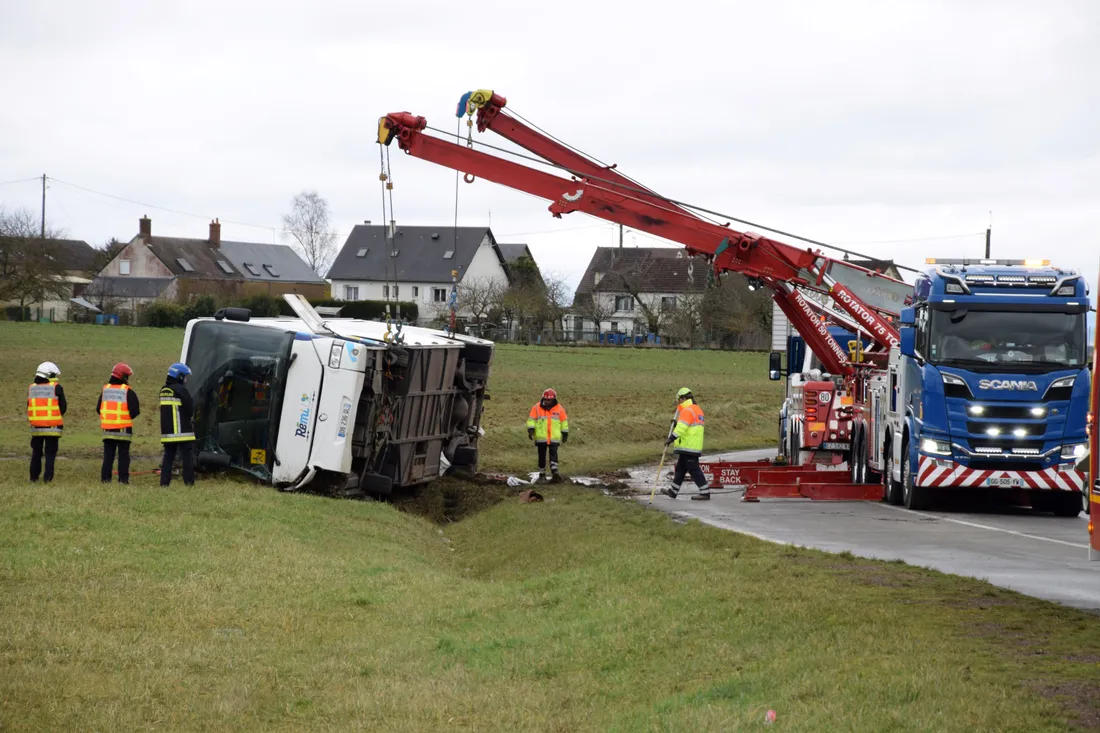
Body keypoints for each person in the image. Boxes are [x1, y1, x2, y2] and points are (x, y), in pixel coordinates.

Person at [662, 387, 710, 500]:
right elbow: (688, 427)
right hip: (691, 445)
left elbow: (682, 428)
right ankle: (673, 491)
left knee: (694, 469)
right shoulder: (696, 409)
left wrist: (671, 438)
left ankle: (705, 492)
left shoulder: (687, 410)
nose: (678, 402)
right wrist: (676, 425)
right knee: (680, 468)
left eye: (679, 400)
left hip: (689, 446)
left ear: (683, 398)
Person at [97, 362, 140, 484]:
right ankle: (123, 480)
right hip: (123, 430)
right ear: (123, 377)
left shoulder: (105, 390)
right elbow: (135, 410)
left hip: (107, 430)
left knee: (108, 457)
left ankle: (105, 480)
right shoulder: (127, 391)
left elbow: (98, 409)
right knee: (123, 456)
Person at [27, 361, 66, 483]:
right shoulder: (56, 388)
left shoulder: (31, 388)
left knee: (36, 453)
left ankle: (33, 478)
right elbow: (63, 407)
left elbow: (29, 406)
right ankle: (47, 479)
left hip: (36, 427)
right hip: (52, 428)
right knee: (50, 454)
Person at [159, 362, 196, 487]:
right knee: (187, 457)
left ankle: (164, 483)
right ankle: (189, 482)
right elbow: (190, 409)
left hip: (168, 433)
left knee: (168, 457)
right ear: (179, 376)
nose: (186, 380)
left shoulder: (164, 390)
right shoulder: (181, 390)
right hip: (183, 432)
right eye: (185, 376)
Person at [527, 388, 569, 482]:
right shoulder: (536, 407)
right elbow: (531, 420)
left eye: (549, 400)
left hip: (554, 437)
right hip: (541, 437)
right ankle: (542, 474)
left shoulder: (559, 409)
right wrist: (530, 429)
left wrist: (565, 433)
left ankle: (555, 473)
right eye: (546, 399)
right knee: (541, 456)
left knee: (553, 454)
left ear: (553, 399)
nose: (547, 401)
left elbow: (564, 422)